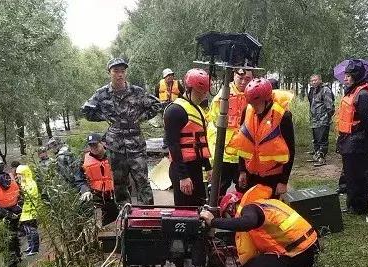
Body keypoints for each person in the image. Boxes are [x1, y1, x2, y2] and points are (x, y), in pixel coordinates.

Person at [200, 184, 318, 267]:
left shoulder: (250, 209)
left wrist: (214, 222)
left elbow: (246, 223)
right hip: (307, 250)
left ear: (231, 208)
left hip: (300, 256)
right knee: (257, 263)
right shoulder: (265, 204)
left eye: (227, 216)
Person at [81, 57, 162, 205]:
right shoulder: (102, 94)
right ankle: (126, 217)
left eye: (122, 71)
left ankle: (147, 217)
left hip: (136, 144)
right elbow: (86, 111)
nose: (120, 74)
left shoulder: (137, 91)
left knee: (142, 181)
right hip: (115, 146)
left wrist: (141, 117)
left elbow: (156, 105)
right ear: (109, 73)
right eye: (116, 71)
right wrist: (105, 117)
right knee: (119, 184)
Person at [227, 78, 295, 197]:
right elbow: (243, 143)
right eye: (250, 103)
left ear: (266, 100)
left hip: (273, 177)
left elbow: (291, 150)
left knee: (267, 211)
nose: (253, 107)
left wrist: (283, 181)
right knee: (247, 208)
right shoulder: (247, 111)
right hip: (250, 174)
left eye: (255, 104)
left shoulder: (283, 116)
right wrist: (242, 170)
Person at [164, 68, 212, 206]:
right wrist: (183, 176)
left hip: (196, 167)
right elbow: (173, 145)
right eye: (200, 92)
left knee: (199, 207)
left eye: (205, 92)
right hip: (182, 168)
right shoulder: (175, 110)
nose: (204, 96)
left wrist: (208, 167)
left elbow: (200, 142)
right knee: (185, 212)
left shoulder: (197, 108)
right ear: (189, 88)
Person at [336, 60, 368, 215]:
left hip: (358, 142)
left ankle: (358, 207)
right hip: (349, 140)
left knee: (358, 176)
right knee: (351, 176)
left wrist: (367, 140)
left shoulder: (363, 94)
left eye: (348, 76)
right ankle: (352, 205)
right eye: (345, 75)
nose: (345, 78)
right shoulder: (352, 92)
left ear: (356, 76)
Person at [207, 68, 253, 196]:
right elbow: (213, 125)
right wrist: (212, 155)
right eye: (241, 78)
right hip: (224, 153)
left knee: (244, 189)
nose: (243, 82)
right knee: (219, 190)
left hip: (244, 154)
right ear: (234, 76)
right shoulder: (223, 96)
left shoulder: (253, 96)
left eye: (247, 79)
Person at [74, 133, 119, 226]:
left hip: (114, 195)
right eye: (91, 145)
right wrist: (85, 190)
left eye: (95, 144)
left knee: (118, 221)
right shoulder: (84, 159)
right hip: (96, 195)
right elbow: (79, 179)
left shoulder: (114, 156)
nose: (93, 147)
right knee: (82, 205)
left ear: (103, 143)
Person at [307, 74, 335, 166]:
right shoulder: (313, 90)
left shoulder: (325, 89)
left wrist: (328, 117)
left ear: (320, 80)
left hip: (323, 118)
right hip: (314, 119)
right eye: (312, 80)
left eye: (315, 80)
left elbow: (329, 105)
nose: (314, 82)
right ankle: (317, 155)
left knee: (322, 139)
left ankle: (322, 158)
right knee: (316, 139)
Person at [15, 165, 41, 255]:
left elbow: (31, 195)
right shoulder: (22, 183)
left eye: (19, 174)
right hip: (24, 212)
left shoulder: (31, 183)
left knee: (32, 230)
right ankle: (30, 246)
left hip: (31, 211)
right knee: (27, 230)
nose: (18, 176)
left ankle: (35, 249)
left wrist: (21, 193)